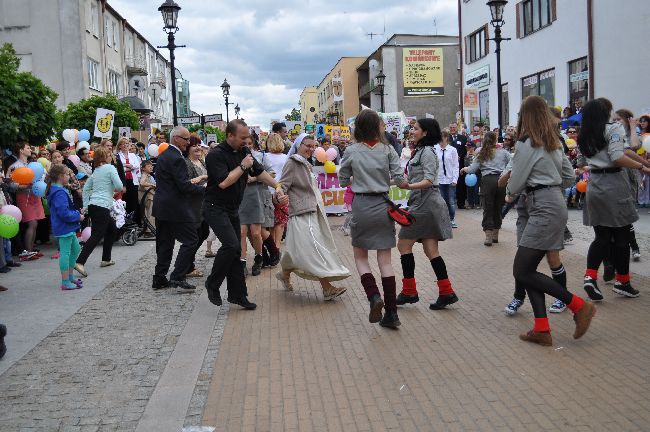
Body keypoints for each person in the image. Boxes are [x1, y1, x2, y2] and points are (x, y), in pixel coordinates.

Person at [505, 96, 595, 346]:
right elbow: (567, 177)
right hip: (554, 202)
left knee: (521, 270)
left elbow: (516, 182)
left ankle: (579, 306)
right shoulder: (553, 142)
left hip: (541, 206)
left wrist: (512, 187)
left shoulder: (526, 143)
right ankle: (542, 329)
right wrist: (547, 180)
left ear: (525, 116)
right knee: (527, 271)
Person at [203, 120, 287, 310]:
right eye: (242, 138)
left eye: (247, 138)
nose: (245, 141)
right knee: (232, 245)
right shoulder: (216, 155)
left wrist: (277, 187)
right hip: (215, 207)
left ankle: (238, 295)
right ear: (230, 136)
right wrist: (242, 167)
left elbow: (260, 172)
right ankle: (212, 283)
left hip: (234, 208)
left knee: (234, 253)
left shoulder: (244, 152)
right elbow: (224, 182)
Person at [338, 109, 408, 329]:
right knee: (386, 262)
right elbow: (400, 179)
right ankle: (392, 313)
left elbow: (342, 180)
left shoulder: (351, 150)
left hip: (361, 206)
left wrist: (358, 176)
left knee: (360, 258)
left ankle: (373, 296)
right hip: (382, 206)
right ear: (378, 126)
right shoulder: (388, 150)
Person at [578, 99, 650, 301]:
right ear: (606, 112)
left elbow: (624, 151)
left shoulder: (586, 133)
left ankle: (590, 277)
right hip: (614, 184)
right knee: (621, 236)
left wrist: (643, 164)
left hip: (595, 184)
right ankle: (623, 281)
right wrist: (639, 167)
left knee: (601, 236)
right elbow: (618, 156)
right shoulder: (613, 128)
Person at [275, 135, 350, 299]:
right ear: (298, 145)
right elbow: (282, 185)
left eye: (313, 146)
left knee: (297, 251)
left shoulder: (306, 164)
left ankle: (284, 273)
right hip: (301, 213)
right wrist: (279, 195)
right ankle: (327, 288)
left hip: (312, 211)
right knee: (314, 249)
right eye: (307, 145)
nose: (310, 148)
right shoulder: (293, 162)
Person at [395, 118, 458, 310]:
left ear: (425, 133)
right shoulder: (420, 152)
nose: (412, 131)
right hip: (424, 203)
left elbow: (430, 180)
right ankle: (446, 292)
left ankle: (409, 291)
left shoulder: (428, 152)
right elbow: (410, 178)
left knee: (403, 244)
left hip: (425, 203)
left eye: (415, 129)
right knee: (431, 251)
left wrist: (408, 186)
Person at [152, 126, 205, 291]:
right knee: (191, 240)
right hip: (176, 208)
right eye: (186, 139)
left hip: (162, 207)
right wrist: (206, 190)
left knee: (165, 244)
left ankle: (159, 278)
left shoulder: (164, 155)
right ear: (176, 138)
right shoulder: (176, 157)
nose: (188, 142)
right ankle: (177, 276)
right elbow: (183, 186)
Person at [74, 146, 123, 277]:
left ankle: (106, 259)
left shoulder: (96, 171)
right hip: (102, 206)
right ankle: (80, 262)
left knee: (112, 229)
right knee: (97, 234)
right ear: (105, 157)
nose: (111, 156)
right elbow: (119, 186)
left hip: (93, 205)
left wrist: (85, 206)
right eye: (109, 154)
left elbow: (85, 190)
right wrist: (116, 189)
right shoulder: (110, 168)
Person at [461, 131, 511, 246]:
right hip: (501, 181)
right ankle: (495, 235)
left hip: (487, 182)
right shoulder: (504, 152)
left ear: (484, 140)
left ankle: (488, 236)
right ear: (495, 139)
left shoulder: (481, 154)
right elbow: (512, 163)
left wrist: (464, 169)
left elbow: (472, 169)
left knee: (488, 208)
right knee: (498, 208)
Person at [46, 163, 84, 290]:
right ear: (61, 176)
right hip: (64, 227)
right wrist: (78, 216)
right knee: (66, 253)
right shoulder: (59, 192)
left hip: (67, 226)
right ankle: (65, 281)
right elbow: (64, 213)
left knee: (75, 249)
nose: (69, 176)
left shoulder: (58, 190)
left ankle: (70, 277)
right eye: (68, 174)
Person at [8, 142, 45, 261]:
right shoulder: (15, 166)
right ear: (21, 150)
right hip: (24, 197)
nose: (30, 150)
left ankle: (31, 250)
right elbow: (10, 185)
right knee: (32, 223)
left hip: (34, 195)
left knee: (36, 223)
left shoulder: (31, 165)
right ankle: (27, 252)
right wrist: (23, 186)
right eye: (28, 148)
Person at [434, 130, 459, 228]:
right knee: (441, 201)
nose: (440, 139)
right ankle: (442, 220)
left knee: (451, 201)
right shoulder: (435, 149)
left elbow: (455, 165)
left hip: (449, 179)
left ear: (446, 138)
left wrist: (455, 179)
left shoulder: (452, 150)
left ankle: (452, 219)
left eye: (442, 137)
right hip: (439, 179)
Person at [116, 137, 140, 223]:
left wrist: (129, 165)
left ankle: (133, 220)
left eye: (127, 143)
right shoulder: (117, 156)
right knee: (124, 200)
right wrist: (128, 167)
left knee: (133, 200)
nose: (125, 145)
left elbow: (137, 165)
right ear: (120, 146)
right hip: (123, 181)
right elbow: (119, 168)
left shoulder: (132, 155)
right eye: (123, 143)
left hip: (133, 181)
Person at [449, 123, 468, 209]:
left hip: (460, 165)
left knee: (461, 184)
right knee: (450, 184)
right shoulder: (446, 138)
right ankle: (450, 203)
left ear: (457, 128)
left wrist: (460, 156)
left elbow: (465, 150)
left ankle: (461, 203)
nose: (452, 129)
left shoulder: (463, 138)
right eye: (451, 127)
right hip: (449, 165)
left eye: (454, 127)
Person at [138, 160, 156, 236]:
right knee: (149, 213)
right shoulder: (144, 175)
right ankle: (148, 230)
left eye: (151, 166)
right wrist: (152, 185)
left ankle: (150, 229)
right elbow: (142, 183)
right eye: (148, 166)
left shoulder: (149, 175)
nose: (151, 167)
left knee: (150, 213)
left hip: (150, 196)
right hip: (147, 197)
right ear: (143, 168)